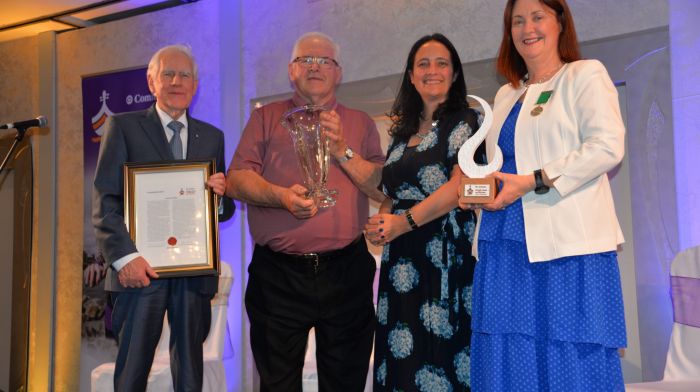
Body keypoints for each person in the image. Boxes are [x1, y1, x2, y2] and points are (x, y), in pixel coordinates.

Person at [459, 0, 627, 390]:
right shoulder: (505, 95)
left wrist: (536, 179)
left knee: (570, 352)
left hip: (567, 244)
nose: (527, 28)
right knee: (508, 355)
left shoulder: (584, 75)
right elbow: (500, 166)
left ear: (560, 22)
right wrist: (478, 191)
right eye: (517, 21)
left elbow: (607, 147)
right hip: (503, 240)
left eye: (537, 17)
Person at [226, 32, 385, 391]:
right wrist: (281, 196)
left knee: (345, 382)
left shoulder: (359, 123)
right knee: (277, 384)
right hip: (277, 276)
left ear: (338, 72)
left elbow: (381, 187)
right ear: (290, 70)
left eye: (324, 61)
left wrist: (344, 149)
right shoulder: (265, 118)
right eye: (305, 60)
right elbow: (236, 180)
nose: (315, 66)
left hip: (346, 272)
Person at [92, 44, 233, 391]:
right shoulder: (122, 127)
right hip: (139, 271)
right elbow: (106, 199)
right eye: (167, 73)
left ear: (195, 85)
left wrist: (219, 197)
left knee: (189, 375)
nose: (176, 81)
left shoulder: (212, 137)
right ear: (151, 82)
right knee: (132, 374)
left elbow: (223, 209)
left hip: (193, 273)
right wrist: (126, 258)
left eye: (184, 74)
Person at [364, 33, 481, 391]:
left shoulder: (466, 121)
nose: (432, 71)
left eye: (442, 63)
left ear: (455, 73)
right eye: (423, 64)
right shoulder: (401, 133)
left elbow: (457, 188)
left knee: (440, 356)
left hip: (442, 256)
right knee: (400, 360)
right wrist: (380, 224)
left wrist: (402, 222)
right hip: (399, 261)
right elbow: (393, 190)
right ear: (411, 76)